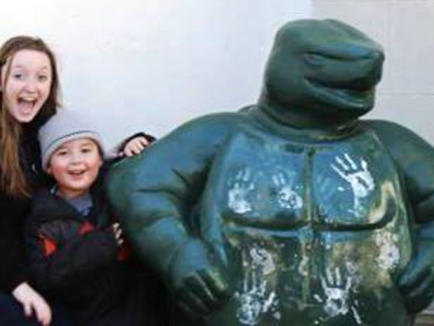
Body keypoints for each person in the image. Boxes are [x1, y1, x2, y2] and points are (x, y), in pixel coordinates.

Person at [24, 110, 167, 326]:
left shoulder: (112, 184)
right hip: (91, 315)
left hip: (141, 304)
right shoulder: (42, 219)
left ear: (100, 158)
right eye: (63, 153)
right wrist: (98, 246)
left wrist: (138, 142)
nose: (76, 161)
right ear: (49, 167)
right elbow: (45, 277)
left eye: (85, 150)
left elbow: (150, 169)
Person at [0, 35, 73, 326]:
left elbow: (79, 158)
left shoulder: (45, 130)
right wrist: (19, 286)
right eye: (20, 75)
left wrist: (128, 148)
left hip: (26, 264)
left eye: (42, 77)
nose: (32, 87)